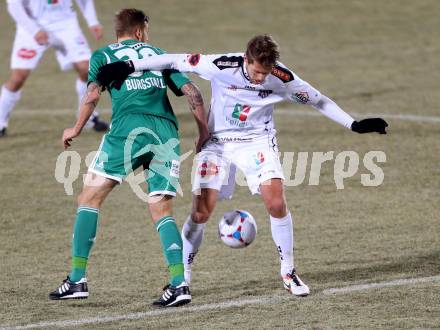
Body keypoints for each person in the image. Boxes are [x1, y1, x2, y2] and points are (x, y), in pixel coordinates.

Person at [97, 34, 388, 297]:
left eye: (266, 71)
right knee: (201, 212)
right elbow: (175, 59)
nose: (261, 78)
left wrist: (354, 124)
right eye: (257, 71)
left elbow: (319, 101)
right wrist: (128, 66)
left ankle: (288, 272)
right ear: (246, 60)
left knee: (275, 202)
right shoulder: (220, 65)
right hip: (218, 144)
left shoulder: (282, 77)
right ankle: (182, 279)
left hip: (257, 143)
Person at [48, 8, 210, 308]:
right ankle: (179, 283)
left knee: (89, 198)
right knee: (161, 209)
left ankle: (77, 279)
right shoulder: (159, 53)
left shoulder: (103, 56)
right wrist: (202, 132)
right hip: (165, 133)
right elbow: (192, 92)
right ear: (139, 31)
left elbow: (93, 95)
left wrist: (76, 127)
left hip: (128, 131)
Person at [0, 0, 108, 138]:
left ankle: (87, 116)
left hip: (65, 23)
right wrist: (34, 30)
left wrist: (92, 21)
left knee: (87, 70)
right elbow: (14, 5)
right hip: (32, 25)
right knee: (18, 78)